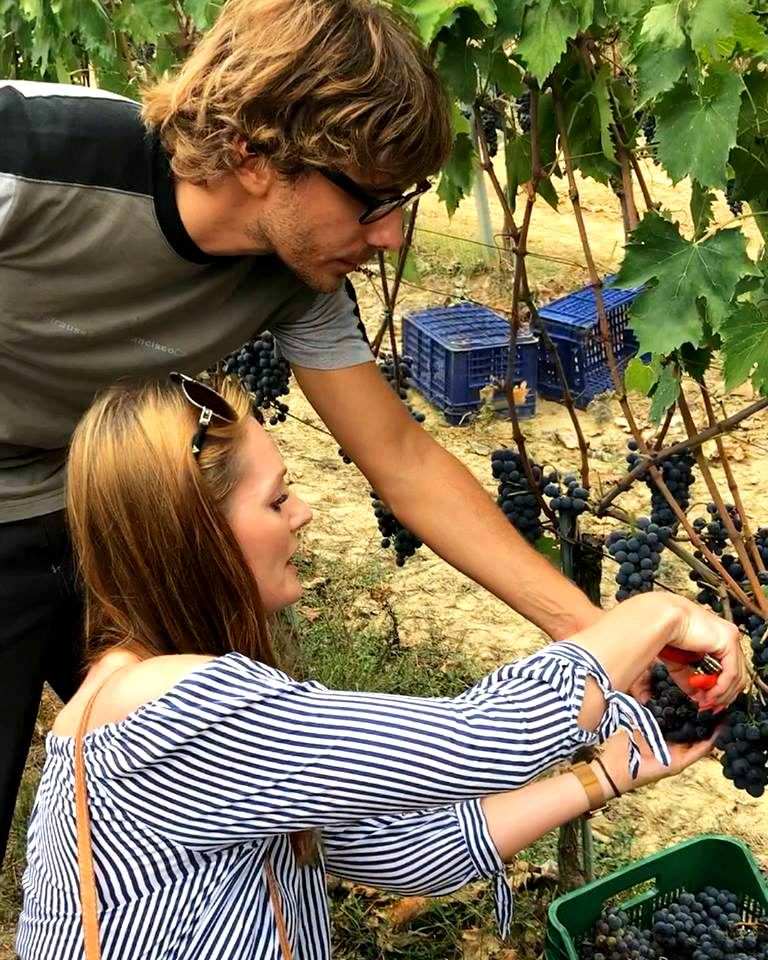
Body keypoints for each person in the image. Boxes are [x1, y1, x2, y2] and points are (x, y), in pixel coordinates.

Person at [0, 0, 604, 866]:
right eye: (370, 202)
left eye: (405, 202)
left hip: (123, 513)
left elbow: (401, 457)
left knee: (234, 800)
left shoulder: (300, 280)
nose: (392, 235)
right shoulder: (29, 162)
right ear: (255, 154)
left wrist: (588, 631)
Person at [16, 373, 747, 960]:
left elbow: (399, 855)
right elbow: (486, 740)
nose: (302, 512)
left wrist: (611, 770)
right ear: (199, 537)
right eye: (275, 500)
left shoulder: (159, 695)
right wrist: (656, 613)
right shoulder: (171, 706)